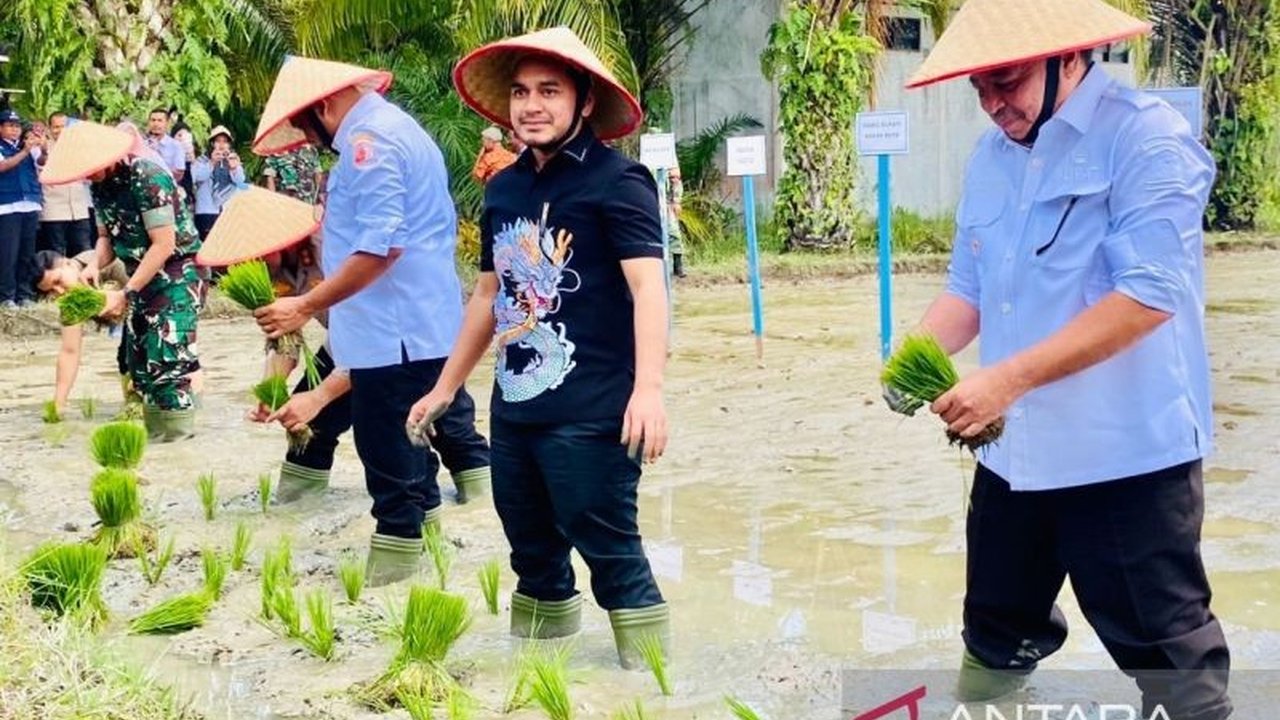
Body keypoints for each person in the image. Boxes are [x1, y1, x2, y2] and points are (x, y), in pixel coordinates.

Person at [886, 1, 1230, 717]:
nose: (991, 104)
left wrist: (1003, 381)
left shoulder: (1145, 140)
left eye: (1004, 80)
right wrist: (910, 355)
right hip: (1013, 459)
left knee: (1171, 660)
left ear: (1068, 55)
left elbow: (1148, 296)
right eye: (976, 88)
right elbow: (968, 288)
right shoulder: (991, 157)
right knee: (994, 633)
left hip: (1126, 458)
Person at [412, 27, 670, 668]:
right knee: (529, 551)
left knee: (611, 551)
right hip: (517, 406)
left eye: (549, 91)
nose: (532, 104)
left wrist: (650, 392)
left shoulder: (620, 181)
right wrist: (446, 388)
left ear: (583, 101)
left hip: (595, 409)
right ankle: (539, 676)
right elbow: (485, 298)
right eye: (521, 92)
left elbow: (649, 290)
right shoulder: (503, 188)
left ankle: (649, 688)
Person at [249, 56, 490, 586]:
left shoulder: (369, 145)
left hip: (395, 331)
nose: (311, 140)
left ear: (327, 106)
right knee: (414, 446)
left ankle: (394, 573)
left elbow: (381, 249)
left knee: (388, 455)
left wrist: (306, 305)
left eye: (309, 126)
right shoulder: (395, 129)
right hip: (412, 324)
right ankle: (430, 557)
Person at [196, 186, 493, 507]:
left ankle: (482, 506)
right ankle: (295, 509)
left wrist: (320, 396)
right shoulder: (270, 271)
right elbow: (285, 340)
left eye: (260, 251)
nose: (256, 260)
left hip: (415, 341)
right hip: (348, 343)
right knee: (308, 428)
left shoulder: (336, 250)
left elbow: (374, 337)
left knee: (449, 430)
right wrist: (274, 390)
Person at [41, 120, 206, 442]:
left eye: (91, 168)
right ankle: (158, 440)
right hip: (139, 274)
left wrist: (126, 292)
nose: (88, 175)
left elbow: (163, 244)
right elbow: (107, 238)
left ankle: (178, 446)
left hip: (177, 272)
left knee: (168, 362)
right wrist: (93, 266)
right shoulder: (99, 187)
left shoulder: (147, 176)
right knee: (139, 364)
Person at [32, 249, 137, 416]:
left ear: (67, 263)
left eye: (57, 281)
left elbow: (148, 294)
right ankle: (134, 406)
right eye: (51, 291)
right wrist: (58, 405)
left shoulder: (107, 265)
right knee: (125, 363)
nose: (59, 291)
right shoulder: (71, 302)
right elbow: (69, 351)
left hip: (155, 300)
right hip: (128, 321)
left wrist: (122, 300)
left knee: (135, 359)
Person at [0, 108, 44, 308]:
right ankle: (6, 296)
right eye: (10, 126)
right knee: (8, 253)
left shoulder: (27, 145)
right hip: (7, 205)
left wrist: (42, 148)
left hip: (30, 203)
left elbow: (43, 163)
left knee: (27, 252)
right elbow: (3, 166)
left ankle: (24, 294)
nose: (14, 130)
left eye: (17, 126)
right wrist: (25, 151)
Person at [38, 112, 95, 257]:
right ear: (49, 128)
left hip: (79, 209)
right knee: (56, 253)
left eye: (63, 126)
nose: (60, 130)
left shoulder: (81, 150)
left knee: (84, 251)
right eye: (56, 127)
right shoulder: (42, 150)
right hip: (53, 211)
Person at [190, 126, 245, 240]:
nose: (221, 145)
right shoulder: (201, 160)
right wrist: (212, 162)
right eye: (218, 141)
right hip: (206, 211)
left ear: (229, 145)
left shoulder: (233, 159)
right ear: (211, 143)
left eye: (225, 141)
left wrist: (234, 168)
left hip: (228, 211)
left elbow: (240, 182)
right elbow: (197, 177)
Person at [145, 108, 186, 183]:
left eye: (160, 120)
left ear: (167, 123)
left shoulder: (176, 146)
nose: (156, 124)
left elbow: (179, 173)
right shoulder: (144, 145)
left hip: (168, 188)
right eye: (153, 120)